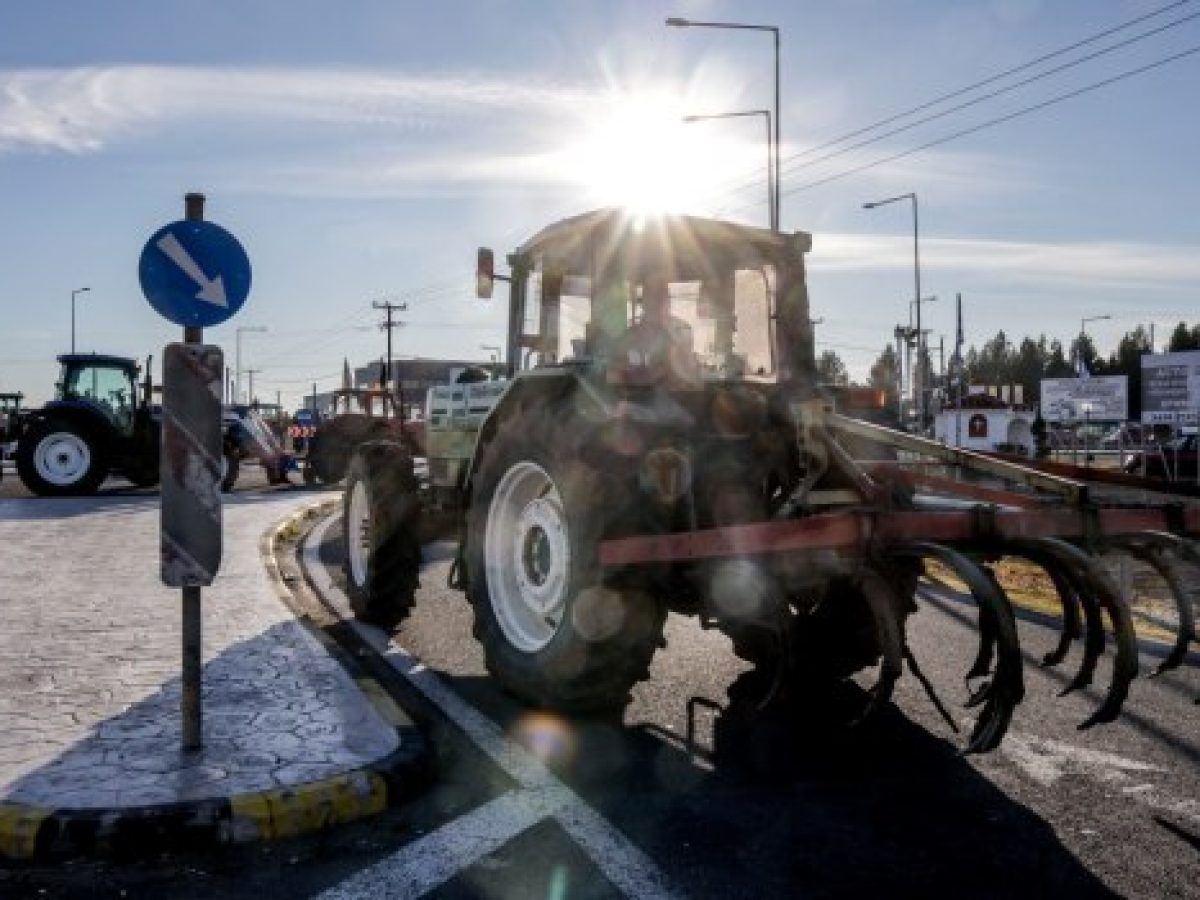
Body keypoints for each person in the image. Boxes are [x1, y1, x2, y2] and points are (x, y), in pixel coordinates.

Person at [610, 273, 698, 385]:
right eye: (653, 297)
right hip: (634, 393)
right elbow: (614, 375)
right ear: (643, 302)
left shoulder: (682, 331)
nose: (659, 303)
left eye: (664, 297)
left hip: (673, 394)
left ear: (669, 301)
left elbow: (690, 375)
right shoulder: (627, 336)